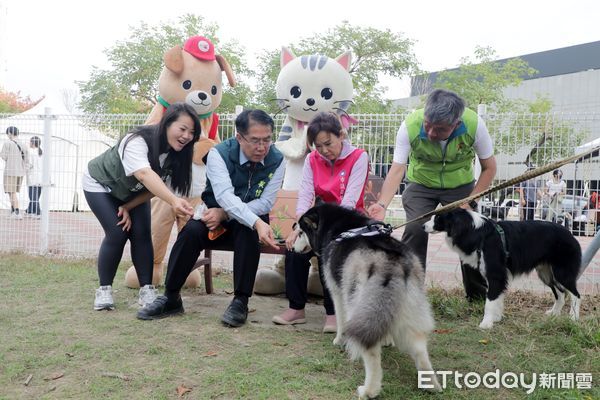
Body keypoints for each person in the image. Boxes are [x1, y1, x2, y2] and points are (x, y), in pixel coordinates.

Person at [137, 109, 285, 327]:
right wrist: (226, 212)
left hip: (244, 217)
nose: (262, 147)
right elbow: (224, 195)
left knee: (248, 230)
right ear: (239, 137)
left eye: (267, 140)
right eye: (254, 141)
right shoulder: (219, 154)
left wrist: (228, 214)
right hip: (214, 215)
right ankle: (171, 297)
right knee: (191, 232)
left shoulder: (278, 159)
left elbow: (265, 202)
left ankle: (240, 301)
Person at [367, 89, 496, 301]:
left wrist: (471, 202)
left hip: (460, 186)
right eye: (427, 125)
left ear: (456, 124)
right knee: (415, 229)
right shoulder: (409, 125)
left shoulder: (474, 125)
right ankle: (410, 295)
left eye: (440, 129)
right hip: (421, 183)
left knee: (469, 233)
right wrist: (381, 204)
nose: (430, 133)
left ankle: (478, 296)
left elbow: (489, 168)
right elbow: (397, 168)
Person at [83, 102, 200, 311]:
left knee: (143, 233)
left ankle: (147, 289)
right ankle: (104, 290)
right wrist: (173, 201)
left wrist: (128, 206)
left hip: (133, 193)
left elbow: (154, 187)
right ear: (166, 123)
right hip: (101, 184)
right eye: (182, 129)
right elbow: (144, 174)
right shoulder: (137, 140)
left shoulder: (178, 154)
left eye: (192, 132)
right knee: (118, 233)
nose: (186, 136)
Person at [272, 112, 369, 333]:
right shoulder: (311, 159)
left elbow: (350, 202)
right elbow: (305, 196)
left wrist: (325, 234)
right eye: (318, 146)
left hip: (348, 224)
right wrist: (299, 228)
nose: (324, 150)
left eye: (328, 143)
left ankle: (333, 313)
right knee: (294, 249)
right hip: (318, 223)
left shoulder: (359, 157)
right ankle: (296, 308)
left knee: (328, 250)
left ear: (341, 135)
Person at [1, 126, 30, 219]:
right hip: (20, 172)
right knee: (12, 192)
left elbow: (4, 157)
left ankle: (17, 212)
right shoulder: (23, 144)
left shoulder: (7, 143)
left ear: (10, 133)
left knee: (12, 192)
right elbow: (27, 159)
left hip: (10, 171)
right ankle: (13, 211)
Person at [26, 136, 43, 218]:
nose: (29, 143)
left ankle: (38, 212)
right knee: (36, 196)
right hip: (41, 177)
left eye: (30, 142)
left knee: (32, 196)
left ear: (33, 143)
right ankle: (30, 210)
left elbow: (29, 165)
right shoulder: (41, 153)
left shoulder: (31, 152)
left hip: (33, 176)